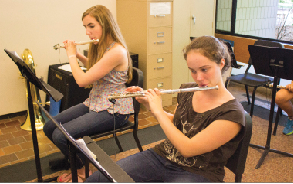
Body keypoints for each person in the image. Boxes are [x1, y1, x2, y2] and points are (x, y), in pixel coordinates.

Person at [85, 36, 246, 183]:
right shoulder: (189, 90)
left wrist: (158, 111)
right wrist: (150, 104)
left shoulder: (232, 113)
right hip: (163, 156)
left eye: (204, 69)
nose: (198, 78)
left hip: (198, 172)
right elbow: (177, 123)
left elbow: (188, 149)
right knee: (102, 178)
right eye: (193, 70)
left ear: (221, 63)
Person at [43, 5, 134, 182]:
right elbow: (95, 71)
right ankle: (73, 158)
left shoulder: (117, 51)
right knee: (49, 127)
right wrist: (78, 55)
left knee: (61, 135)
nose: (87, 32)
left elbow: (83, 81)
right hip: (96, 101)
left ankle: (84, 171)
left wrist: (70, 55)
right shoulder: (101, 46)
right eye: (85, 27)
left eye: (91, 26)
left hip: (114, 109)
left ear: (105, 24)